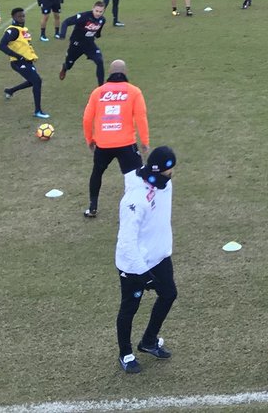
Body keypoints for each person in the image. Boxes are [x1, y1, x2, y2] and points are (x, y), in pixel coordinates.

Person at [115, 145, 178, 374]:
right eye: (169, 171)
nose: (172, 175)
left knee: (169, 294)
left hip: (159, 257)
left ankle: (149, 341)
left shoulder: (165, 184)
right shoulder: (134, 201)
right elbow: (127, 242)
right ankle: (125, 353)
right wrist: (142, 273)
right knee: (129, 308)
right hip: (134, 265)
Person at [83, 59, 151, 219]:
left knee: (97, 173)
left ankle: (92, 207)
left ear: (110, 73)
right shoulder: (134, 92)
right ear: (125, 72)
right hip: (126, 144)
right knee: (136, 176)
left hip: (103, 144)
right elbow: (141, 117)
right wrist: (145, 141)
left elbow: (87, 118)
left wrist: (90, 139)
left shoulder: (97, 92)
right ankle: (138, 207)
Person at [0, 8, 49, 119]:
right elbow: (1, 46)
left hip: (27, 61)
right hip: (18, 62)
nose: (22, 18)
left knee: (33, 81)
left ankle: (10, 91)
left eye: (23, 16)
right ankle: (38, 111)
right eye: (19, 16)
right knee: (37, 81)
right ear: (13, 17)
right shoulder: (13, 31)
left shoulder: (22, 30)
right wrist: (18, 56)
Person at [58, 0, 107, 85]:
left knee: (99, 61)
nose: (98, 13)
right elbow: (66, 22)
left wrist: (98, 35)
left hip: (89, 45)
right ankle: (65, 67)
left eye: (100, 12)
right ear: (93, 9)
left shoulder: (102, 20)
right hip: (76, 44)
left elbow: (98, 30)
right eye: (96, 11)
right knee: (69, 64)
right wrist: (62, 34)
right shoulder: (84, 16)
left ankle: (101, 86)